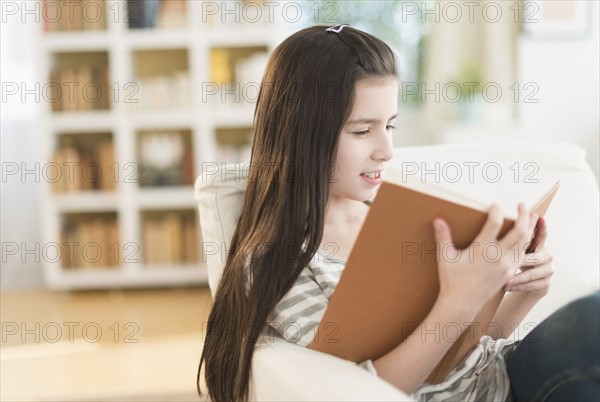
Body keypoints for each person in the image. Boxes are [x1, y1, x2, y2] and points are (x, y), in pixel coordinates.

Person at [197, 24, 600, 402]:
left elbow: (463, 353)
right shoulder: (279, 261)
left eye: (390, 126)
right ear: (302, 135)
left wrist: (524, 292)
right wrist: (457, 301)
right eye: (362, 130)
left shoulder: (396, 216)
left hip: (508, 376)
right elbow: (364, 392)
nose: (386, 150)